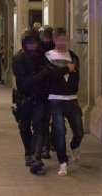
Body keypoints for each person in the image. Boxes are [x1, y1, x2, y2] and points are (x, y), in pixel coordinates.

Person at [45, 27, 83, 176]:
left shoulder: (73, 56)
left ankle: (74, 146)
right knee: (60, 131)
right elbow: (50, 76)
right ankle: (63, 162)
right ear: (54, 40)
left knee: (79, 131)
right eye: (59, 39)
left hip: (72, 100)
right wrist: (67, 69)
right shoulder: (48, 56)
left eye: (64, 39)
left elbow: (76, 76)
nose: (62, 42)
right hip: (55, 99)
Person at [12, 28, 49, 174]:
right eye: (29, 43)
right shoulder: (18, 59)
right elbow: (25, 82)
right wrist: (41, 75)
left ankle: (36, 157)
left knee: (39, 126)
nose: (32, 46)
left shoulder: (43, 57)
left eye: (34, 43)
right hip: (25, 98)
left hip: (40, 97)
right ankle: (29, 152)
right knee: (24, 127)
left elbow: (51, 72)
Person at [38, 25, 56, 159]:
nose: (47, 40)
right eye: (45, 37)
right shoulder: (37, 53)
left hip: (55, 89)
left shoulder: (57, 52)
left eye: (49, 37)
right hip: (42, 90)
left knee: (56, 118)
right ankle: (45, 145)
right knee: (43, 119)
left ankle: (54, 141)